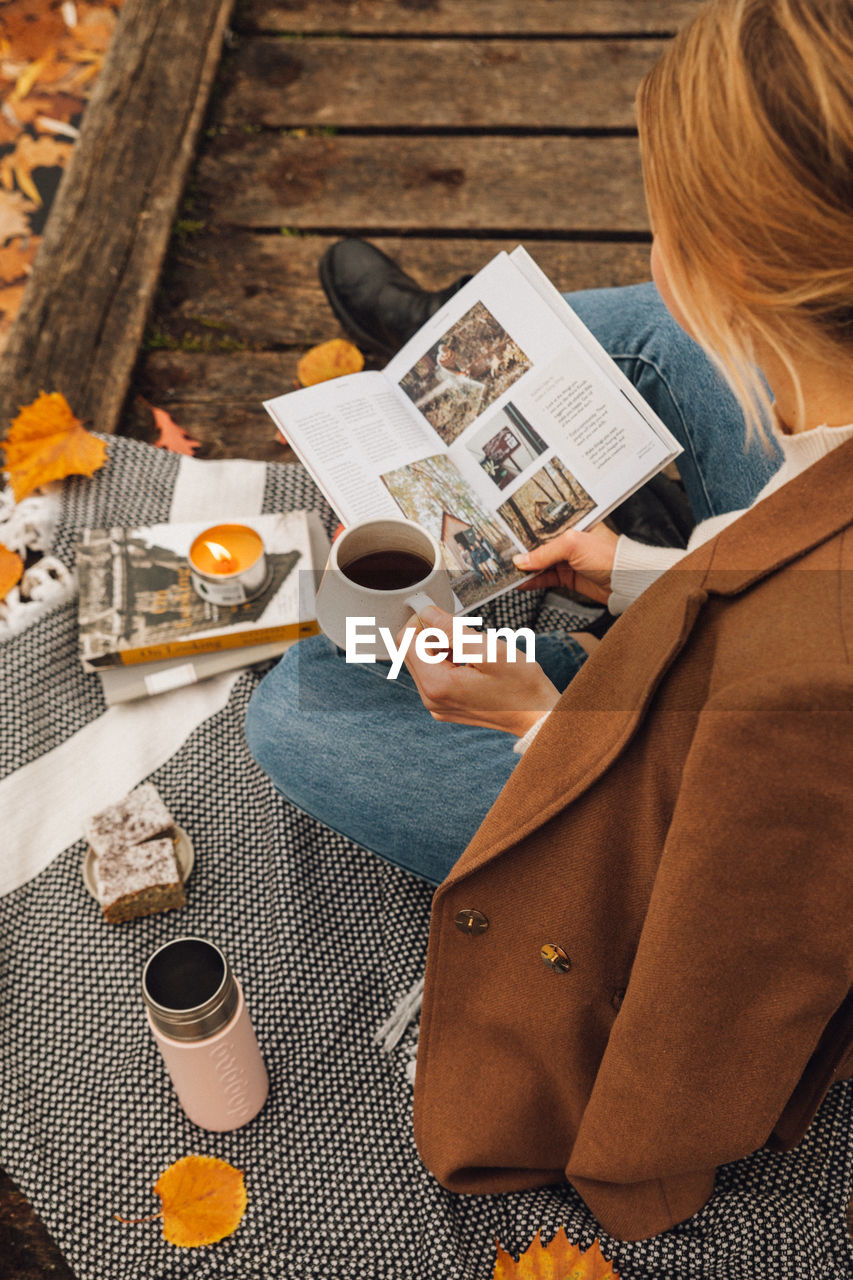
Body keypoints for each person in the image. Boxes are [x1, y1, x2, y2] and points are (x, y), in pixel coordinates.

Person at [245, 0, 853, 1242]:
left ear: (745, 265)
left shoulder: (805, 668)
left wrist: (539, 722)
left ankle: (433, 406)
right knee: (640, 329)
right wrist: (635, 568)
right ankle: (433, 380)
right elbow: (784, 537)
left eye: (672, 221)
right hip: (761, 618)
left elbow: (730, 899)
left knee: (300, 707)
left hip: (743, 792)